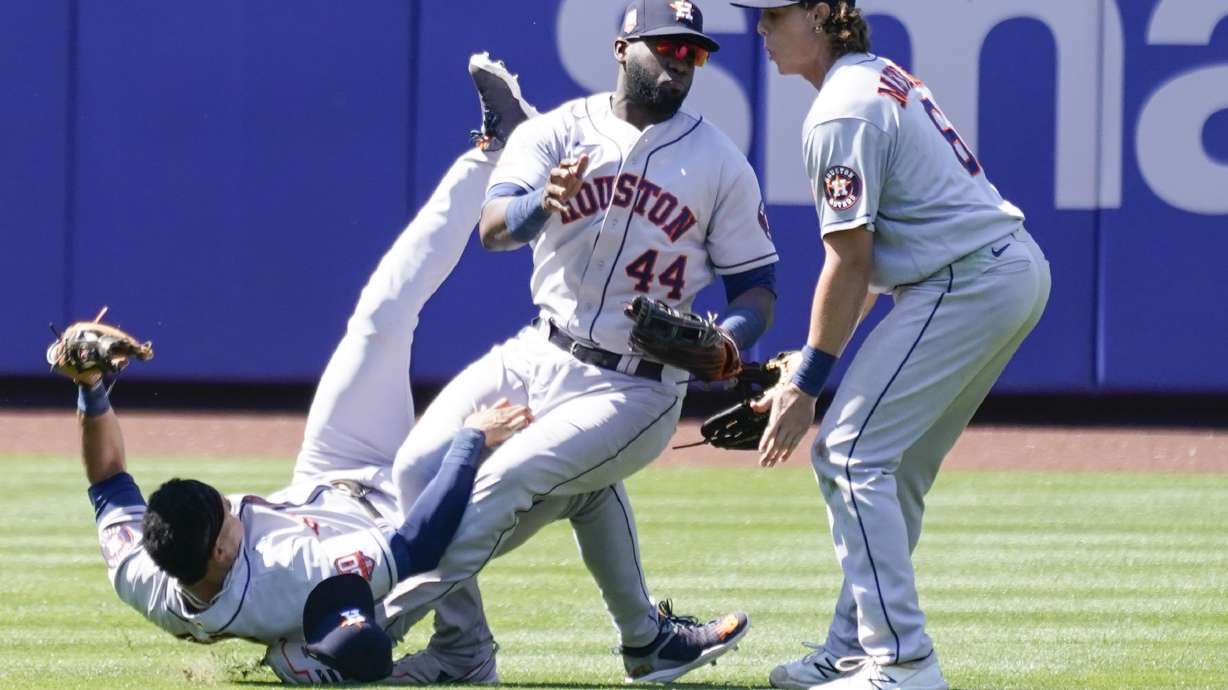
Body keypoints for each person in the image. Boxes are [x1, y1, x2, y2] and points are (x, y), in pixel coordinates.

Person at [71, 52, 746, 686]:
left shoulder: (151, 572)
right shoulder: (291, 575)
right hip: (400, 529)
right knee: (578, 485)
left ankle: (492, 150)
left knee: (378, 316)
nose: (232, 502)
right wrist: (470, 443)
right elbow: (418, 547)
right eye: (226, 516)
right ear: (220, 556)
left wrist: (92, 393)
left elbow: (107, 486)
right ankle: (484, 651)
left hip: (329, 477)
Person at [383, 0, 776, 683]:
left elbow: (758, 288)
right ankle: (471, 648)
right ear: (624, 47)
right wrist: (543, 203)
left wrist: (728, 343)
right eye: (667, 46)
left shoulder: (719, 163)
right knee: (417, 468)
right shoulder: (560, 131)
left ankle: (364, 629)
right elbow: (495, 229)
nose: (682, 63)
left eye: (695, 52)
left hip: (638, 386)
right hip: (542, 350)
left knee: (502, 482)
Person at [728, 2, 1052, 689]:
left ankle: (903, 663)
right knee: (889, 467)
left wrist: (806, 385)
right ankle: (854, 648)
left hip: (967, 281)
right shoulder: (875, 77)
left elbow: (849, 263)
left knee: (847, 453)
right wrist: (810, 359)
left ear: (820, 15)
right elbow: (870, 263)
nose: (761, 26)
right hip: (993, 272)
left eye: (776, 13)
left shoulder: (842, 109)